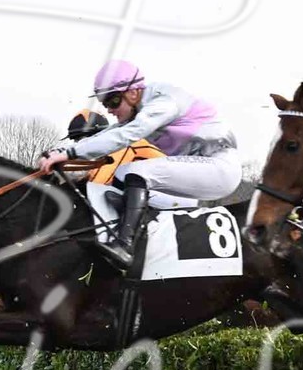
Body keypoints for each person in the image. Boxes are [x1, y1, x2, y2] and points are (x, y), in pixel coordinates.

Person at [37, 62, 242, 269]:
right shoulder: (141, 106)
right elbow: (111, 131)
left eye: (113, 101)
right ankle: (132, 237)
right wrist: (61, 152)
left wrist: (70, 154)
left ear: (133, 92)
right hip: (201, 168)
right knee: (124, 173)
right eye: (104, 103)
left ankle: (125, 246)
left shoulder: (163, 102)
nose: (110, 110)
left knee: (136, 172)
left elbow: (125, 135)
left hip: (220, 168)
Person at [64, 108, 164, 187]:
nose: (79, 144)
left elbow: (97, 186)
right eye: (76, 140)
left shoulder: (123, 147)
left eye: (80, 139)